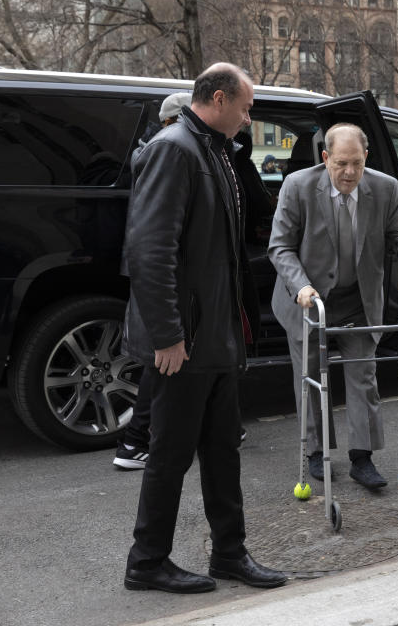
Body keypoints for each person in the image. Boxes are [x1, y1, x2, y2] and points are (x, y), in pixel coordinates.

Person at [121, 63, 286, 593]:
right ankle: (147, 563)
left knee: (222, 451)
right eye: (245, 106)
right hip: (187, 341)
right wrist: (168, 334)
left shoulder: (213, 149)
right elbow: (150, 249)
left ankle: (229, 554)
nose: (249, 116)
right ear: (218, 98)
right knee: (170, 454)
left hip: (215, 336)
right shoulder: (176, 149)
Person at [268, 123, 398, 489]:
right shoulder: (299, 186)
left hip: (357, 298)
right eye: (341, 163)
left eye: (356, 163)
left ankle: (362, 457)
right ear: (325, 158)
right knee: (308, 376)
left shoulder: (385, 188)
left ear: (366, 157)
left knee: (363, 375)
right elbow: (280, 246)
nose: (350, 172)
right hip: (307, 298)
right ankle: (315, 452)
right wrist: (302, 286)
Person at [113, 92, 192, 471]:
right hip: (155, 273)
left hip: (143, 270)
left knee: (159, 360)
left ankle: (143, 437)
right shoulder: (167, 153)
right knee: (162, 359)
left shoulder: (150, 150)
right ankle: (136, 440)